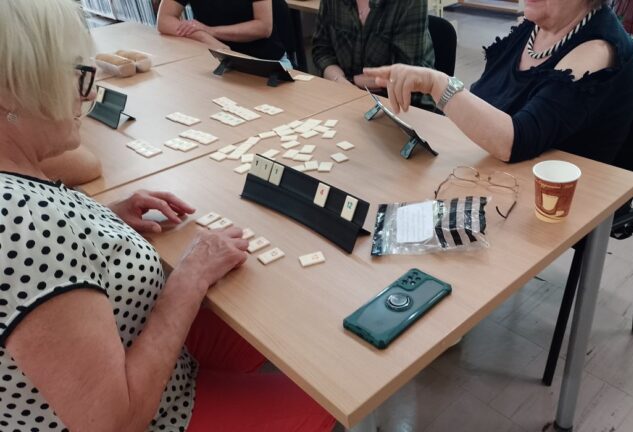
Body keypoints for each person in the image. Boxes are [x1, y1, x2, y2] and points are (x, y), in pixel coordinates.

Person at [0, 1, 335, 431]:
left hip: (132, 340)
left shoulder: (22, 194)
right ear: (11, 92)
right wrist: (190, 277)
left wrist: (106, 219)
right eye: (72, 74)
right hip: (159, 413)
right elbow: (114, 422)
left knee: (282, 323)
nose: (87, 93)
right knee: (322, 394)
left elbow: (55, 260)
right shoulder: (26, 222)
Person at [364, 0, 633, 164]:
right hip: (490, 169)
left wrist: (437, 84)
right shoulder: (535, 28)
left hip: (551, 201)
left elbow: (516, 141)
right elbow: (485, 102)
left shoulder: (598, 50)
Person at [312, 0, 435, 103]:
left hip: (403, 104)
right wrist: (339, 80)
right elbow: (322, 50)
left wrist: (351, 81)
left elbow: (407, 73)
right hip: (345, 97)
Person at [157, 0, 290, 63]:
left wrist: (211, 31)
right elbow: (164, 20)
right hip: (218, 59)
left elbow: (263, 27)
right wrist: (205, 37)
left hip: (262, 62)